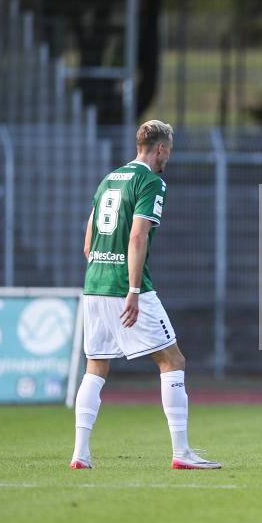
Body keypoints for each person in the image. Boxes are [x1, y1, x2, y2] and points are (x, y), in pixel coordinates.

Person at [70, 120, 220, 470]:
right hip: (126, 287)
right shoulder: (151, 181)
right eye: (170, 150)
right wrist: (133, 290)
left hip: (94, 285)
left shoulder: (109, 179)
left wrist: (102, 273)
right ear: (161, 149)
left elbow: (88, 242)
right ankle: (182, 453)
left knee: (95, 366)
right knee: (173, 361)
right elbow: (137, 237)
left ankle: (80, 453)